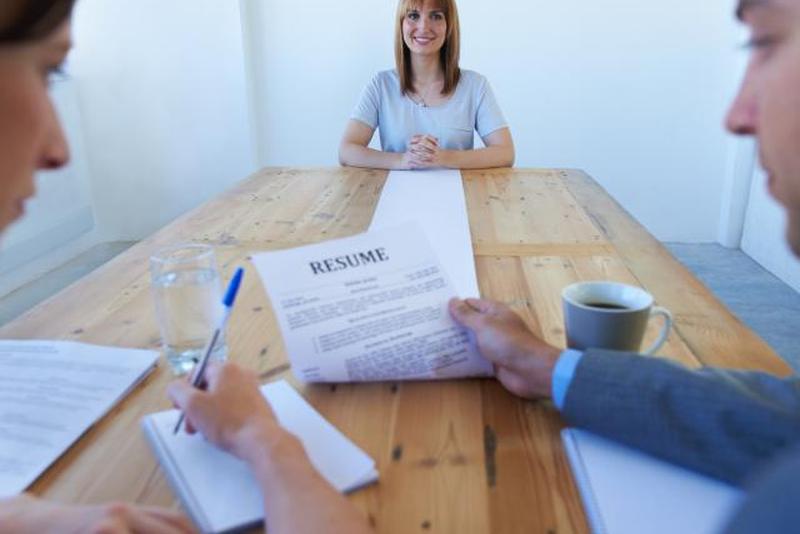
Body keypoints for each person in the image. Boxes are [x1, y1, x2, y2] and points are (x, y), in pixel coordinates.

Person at [0, 1, 373, 533]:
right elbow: (348, 150)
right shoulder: (381, 84)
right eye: (48, 70)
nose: (61, 150)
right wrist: (262, 437)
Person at [447, 0, 800, 530]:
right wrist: (546, 365)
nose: (736, 116)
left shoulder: (472, 84)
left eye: (765, 43)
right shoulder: (384, 84)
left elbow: (503, 152)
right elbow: (783, 419)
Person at [338, 0, 515, 170]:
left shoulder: (475, 86)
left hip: (456, 189)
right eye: (413, 16)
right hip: (395, 189)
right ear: (401, 24)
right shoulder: (381, 85)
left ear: (449, 26)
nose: (423, 27)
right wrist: (402, 160)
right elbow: (346, 151)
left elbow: (505, 153)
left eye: (436, 16)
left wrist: (442, 157)